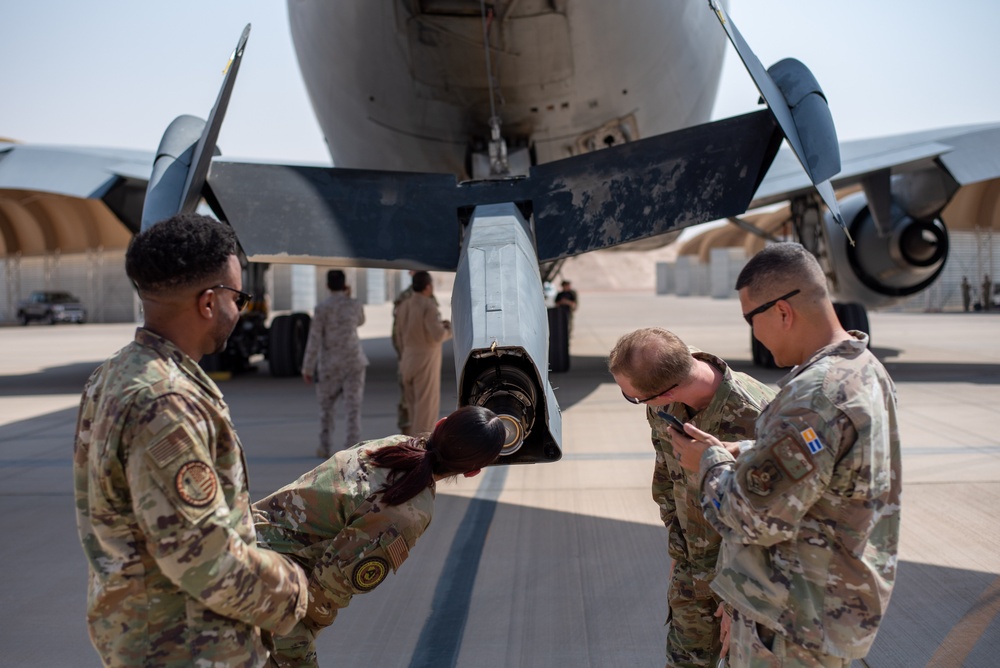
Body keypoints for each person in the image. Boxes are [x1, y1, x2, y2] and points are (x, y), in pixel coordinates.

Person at [73, 213, 309, 667]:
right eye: (238, 297)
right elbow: (205, 561)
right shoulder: (165, 403)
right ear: (208, 303)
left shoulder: (112, 376)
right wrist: (297, 588)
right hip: (186, 645)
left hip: (148, 636)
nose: (239, 311)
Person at [671, 242, 901, 667]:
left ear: (782, 311)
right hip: (832, 614)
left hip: (792, 624)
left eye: (750, 319)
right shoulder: (863, 369)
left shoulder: (814, 395)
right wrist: (749, 450)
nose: (753, 334)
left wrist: (707, 463)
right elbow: (827, 466)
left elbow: (754, 518)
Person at [253, 405, 507, 667]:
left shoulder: (390, 446)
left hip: (237, 544)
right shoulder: (411, 512)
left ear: (441, 423)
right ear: (472, 471)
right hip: (265, 588)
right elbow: (329, 588)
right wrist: (301, 638)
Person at [608, 328, 774, 667]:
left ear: (661, 393)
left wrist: (737, 600)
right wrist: (679, 546)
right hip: (692, 567)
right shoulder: (669, 386)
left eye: (634, 397)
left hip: (749, 583)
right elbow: (667, 478)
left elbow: (772, 527)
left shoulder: (760, 419)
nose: (637, 404)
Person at [301, 269, 368, 458]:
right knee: (353, 409)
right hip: (354, 362)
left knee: (326, 410)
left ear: (327, 286)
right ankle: (352, 448)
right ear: (345, 284)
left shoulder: (321, 309)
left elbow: (314, 340)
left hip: (330, 365)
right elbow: (361, 321)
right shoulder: (355, 305)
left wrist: (307, 367)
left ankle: (324, 447)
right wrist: (348, 296)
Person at [393, 270, 452, 435]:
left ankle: (411, 445)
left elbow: (398, 336)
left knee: (413, 410)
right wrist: (450, 330)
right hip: (425, 359)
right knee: (426, 411)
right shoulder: (428, 305)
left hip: (407, 359)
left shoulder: (403, 305)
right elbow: (438, 335)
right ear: (428, 287)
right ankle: (421, 451)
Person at [391, 270, 419, 432]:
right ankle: (407, 433)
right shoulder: (405, 298)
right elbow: (397, 331)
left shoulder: (423, 294)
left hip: (413, 354)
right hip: (409, 354)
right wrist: (402, 353)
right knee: (407, 398)